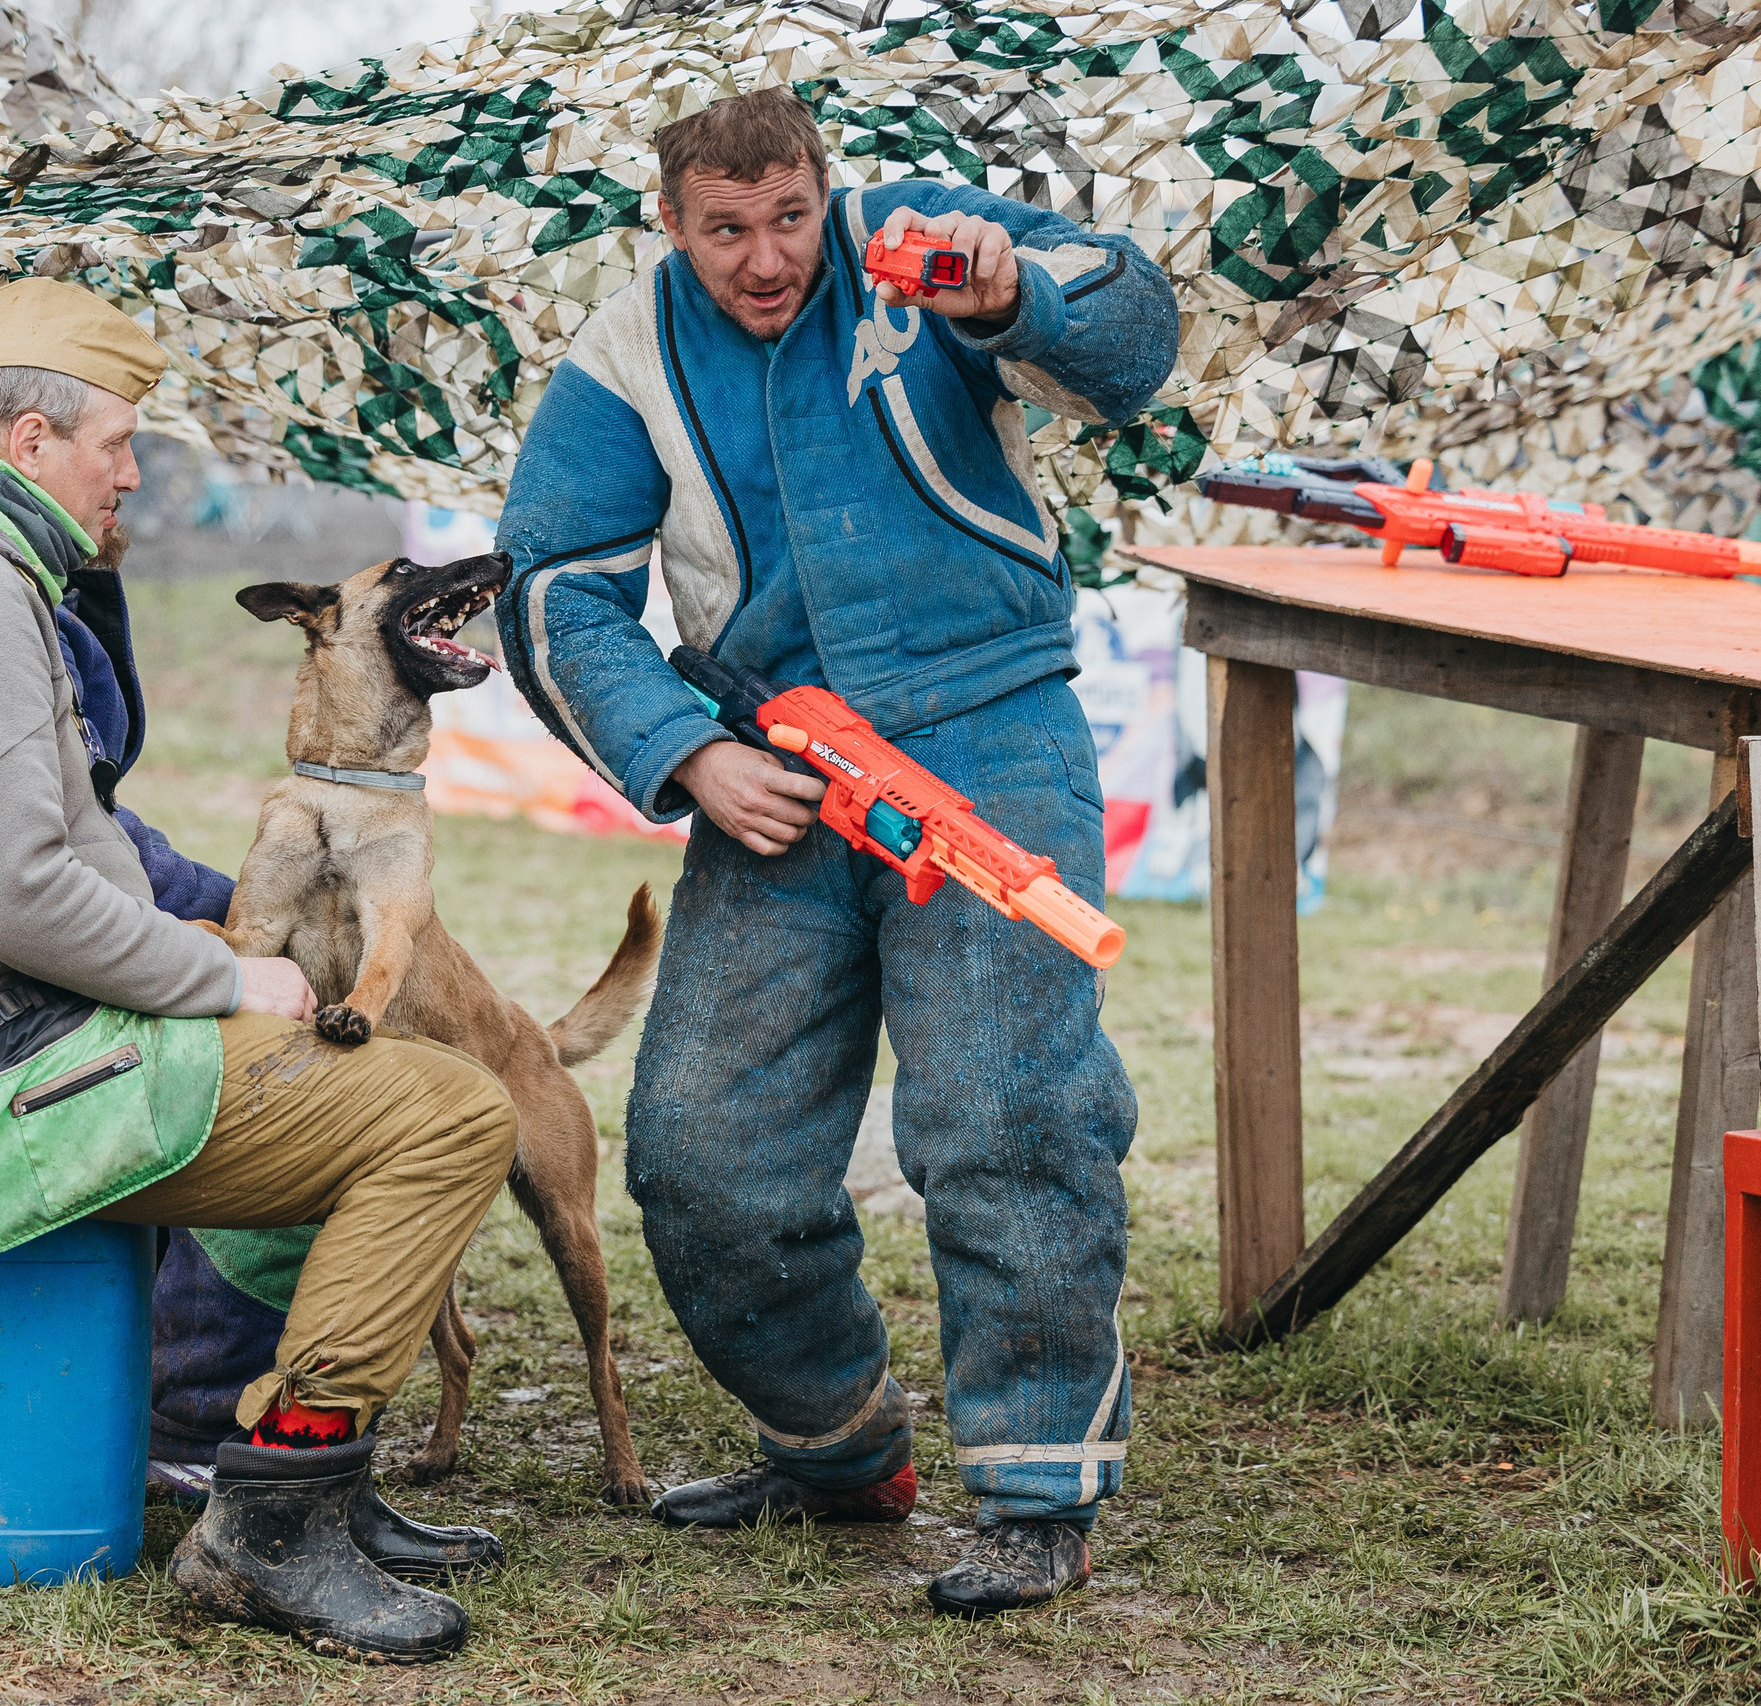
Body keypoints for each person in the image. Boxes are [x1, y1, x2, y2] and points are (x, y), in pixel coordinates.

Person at [494, 89, 1178, 1618]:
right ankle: (839, 1442)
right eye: (725, 229)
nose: (765, 258)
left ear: (825, 189)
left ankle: (1038, 1483)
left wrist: (1016, 294)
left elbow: (1134, 341)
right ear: (669, 220)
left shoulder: (923, 240)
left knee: (1012, 1109)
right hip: (773, 773)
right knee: (699, 1152)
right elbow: (552, 589)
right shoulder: (619, 356)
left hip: (992, 735)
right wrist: (691, 752)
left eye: (789, 217)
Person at [0, 279, 516, 1664]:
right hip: (22, 1077)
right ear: (26, 442)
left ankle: (316, 1480)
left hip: (41, 1045)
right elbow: (17, 895)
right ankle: (272, 1517)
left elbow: (66, 855)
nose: (134, 467)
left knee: (394, 1084)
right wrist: (226, 982)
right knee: (450, 1114)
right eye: (116, 440)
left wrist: (192, 935)